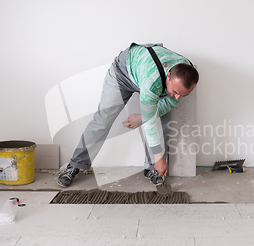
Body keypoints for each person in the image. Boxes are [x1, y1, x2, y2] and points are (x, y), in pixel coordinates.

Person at [58, 43, 199, 188]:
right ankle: (75, 165)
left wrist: (142, 117)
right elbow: (149, 124)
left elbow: (167, 104)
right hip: (123, 74)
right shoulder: (152, 82)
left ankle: (153, 169)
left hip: (146, 72)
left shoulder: (185, 78)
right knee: (103, 120)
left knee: (161, 121)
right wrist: (160, 157)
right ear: (169, 76)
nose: (177, 98)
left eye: (182, 95)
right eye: (175, 92)